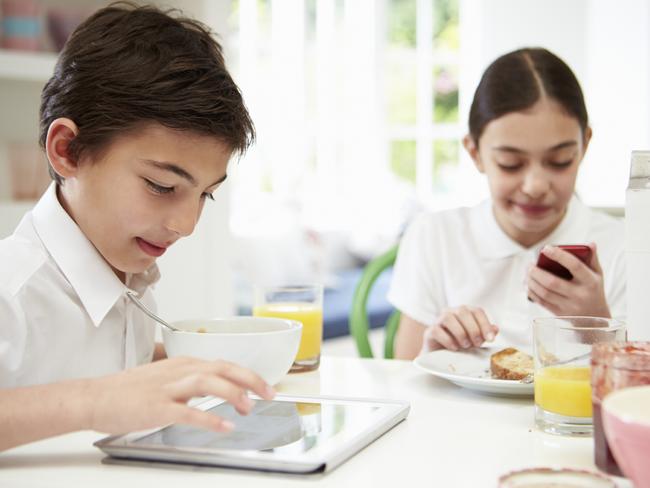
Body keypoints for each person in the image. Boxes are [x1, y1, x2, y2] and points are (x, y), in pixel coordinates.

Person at [0, 3, 275, 451]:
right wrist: (94, 401)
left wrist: (196, 365)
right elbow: (93, 391)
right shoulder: (11, 291)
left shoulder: (129, 276)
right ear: (67, 150)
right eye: (161, 185)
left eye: (205, 194)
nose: (187, 225)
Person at [388, 47, 625, 359]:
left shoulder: (625, 248)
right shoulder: (434, 236)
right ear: (474, 153)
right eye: (510, 163)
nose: (535, 186)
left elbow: (635, 400)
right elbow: (405, 380)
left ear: (584, 146)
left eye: (559, 161)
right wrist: (433, 354)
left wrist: (598, 326)